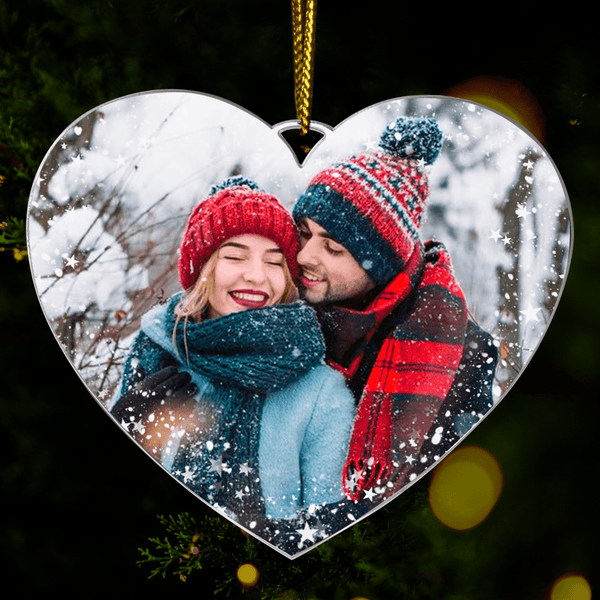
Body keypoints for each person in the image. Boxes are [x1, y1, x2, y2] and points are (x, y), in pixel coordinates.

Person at [109, 177, 358, 544]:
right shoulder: (155, 358)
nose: (256, 276)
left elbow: (331, 533)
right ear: (203, 270)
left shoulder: (320, 393)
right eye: (235, 256)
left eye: (274, 262)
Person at [292, 116, 498, 502]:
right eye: (304, 233)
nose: (304, 256)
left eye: (333, 247)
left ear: (380, 265)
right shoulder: (280, 311)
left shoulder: (459, 354)